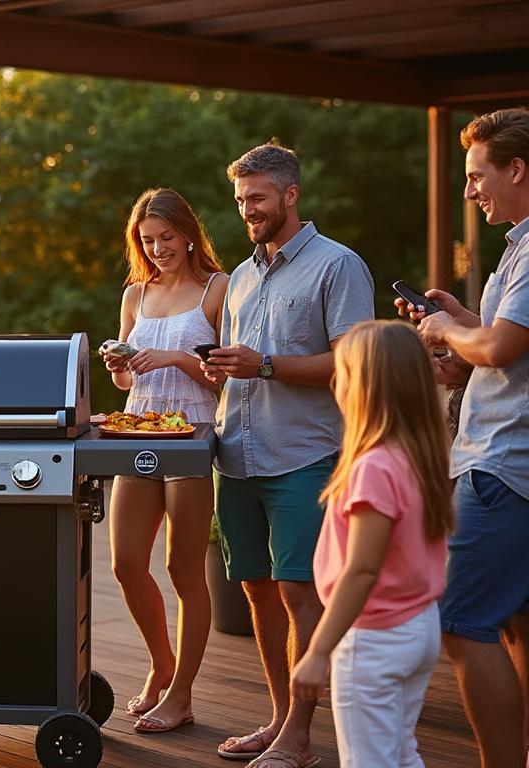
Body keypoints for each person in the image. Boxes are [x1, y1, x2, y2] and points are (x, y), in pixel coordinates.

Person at [201, 143, 375, 767]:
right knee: (256, 593)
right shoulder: (241, 277)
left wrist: (266, 365)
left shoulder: (338, 266)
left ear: (291, 194)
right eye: (242, 199)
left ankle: (300, 737)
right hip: (237, 457)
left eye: (259, 198)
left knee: (300, 593)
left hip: (303, 457)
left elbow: (354, 361)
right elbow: (238, 366)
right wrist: (220, 371)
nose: (248, 210)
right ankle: (278, 720)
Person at [398, 107, 529, 768]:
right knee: (515, 624)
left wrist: (448, 334)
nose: (471, 191)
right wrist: (458, 323)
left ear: (517, 169)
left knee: (459, 620)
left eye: (478, 176)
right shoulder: (517, 247)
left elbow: (503, 346)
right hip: (505, 461)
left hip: (503, 467)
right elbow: (505, 345)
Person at [289, 320, 452, 768]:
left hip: (374, 637)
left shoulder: (373, 468)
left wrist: (319, 649)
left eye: (340, 373)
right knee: (400, 752)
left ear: (364, 387)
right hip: (418, 626)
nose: (333, 383)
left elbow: (363, 569)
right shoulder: (417, 455)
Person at [101, 187, 226, 734]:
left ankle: (182, 694)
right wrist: (118, 367)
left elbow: (224, 374)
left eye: (166, 237)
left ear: (189, 233)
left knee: (181, 569)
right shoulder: (136, 296)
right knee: (126, 563)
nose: (157, 249)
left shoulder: (217, 290)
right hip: (139, 429)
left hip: (193, 434)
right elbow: (131, 377)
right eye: (147, 241)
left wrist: (178, 356)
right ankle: (161, 663)